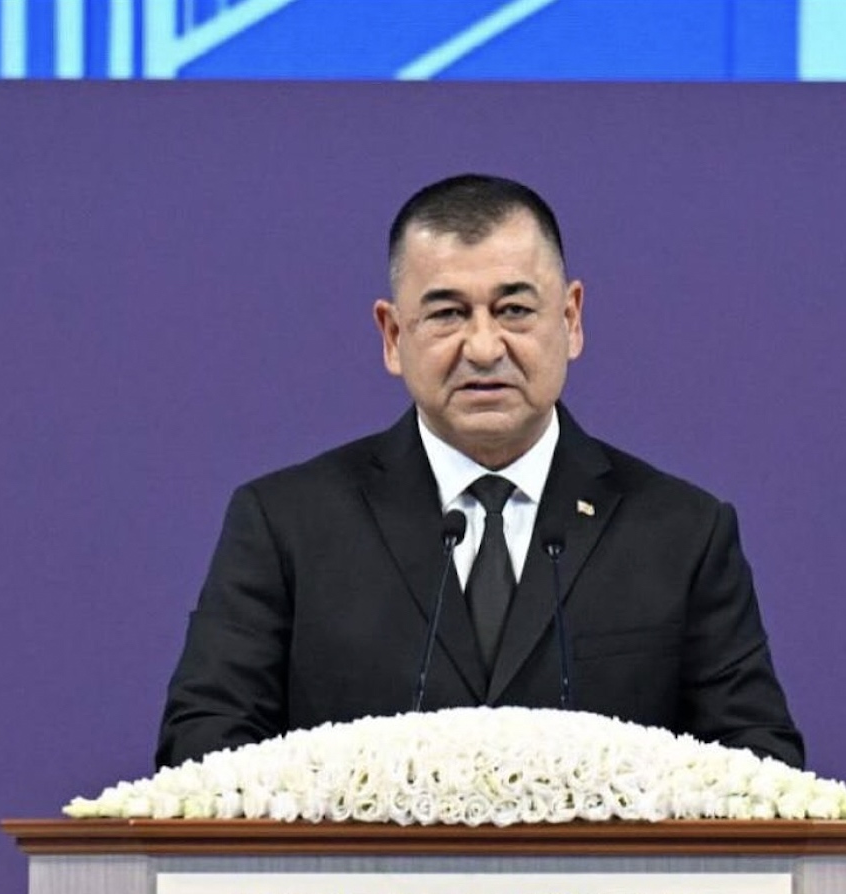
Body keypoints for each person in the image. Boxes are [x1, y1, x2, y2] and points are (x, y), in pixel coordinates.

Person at [156, 174, 804, 770]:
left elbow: (760, 767)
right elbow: (202, 751)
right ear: (392, 335)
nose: (485, 347)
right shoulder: (287, 524)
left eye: (514, 310)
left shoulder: (683, 533)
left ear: (571, 320)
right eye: (448, 313)